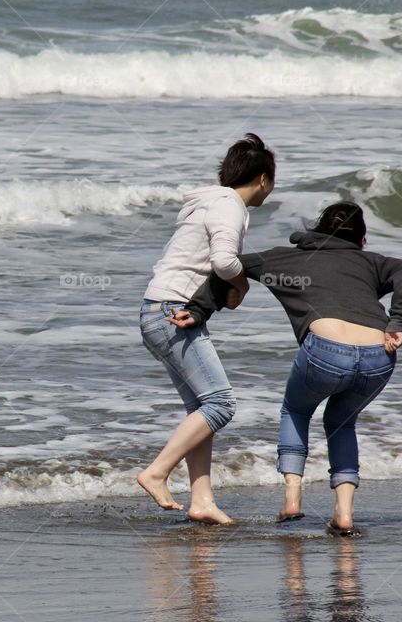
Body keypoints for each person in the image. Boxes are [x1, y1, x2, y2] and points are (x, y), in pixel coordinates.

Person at [170, 202, 402, 536]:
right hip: (380, 354)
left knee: (296, 410)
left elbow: (231, 267)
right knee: (341, 422)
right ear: (361, 240)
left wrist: (199, 310)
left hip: (326, 350)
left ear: (317, 230)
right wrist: (398, 320)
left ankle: (292, 497)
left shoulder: (286, 259)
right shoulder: (372, 261)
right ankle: (344, 513)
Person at [137, 133, 275, 524]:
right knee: (221, 404)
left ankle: (202, 500)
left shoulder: (208, 203)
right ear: (263, 179)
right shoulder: (229, 205)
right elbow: (224, 261)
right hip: (172, 310)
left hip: (156, 310)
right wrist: (242, 284)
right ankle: (157, 472)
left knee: (201, 409)